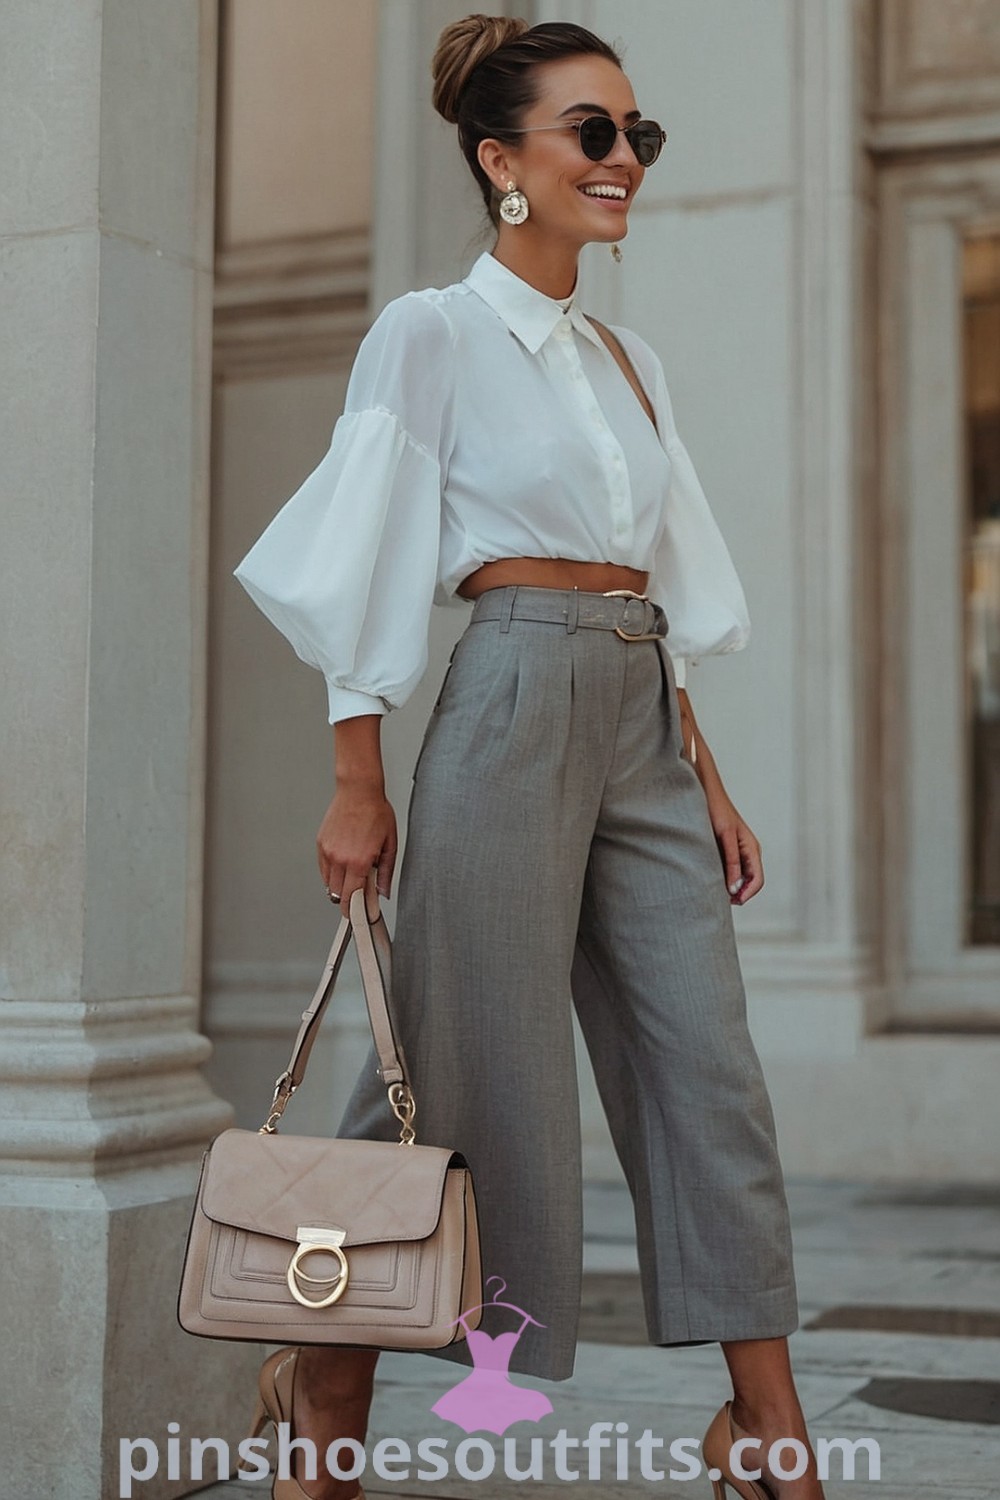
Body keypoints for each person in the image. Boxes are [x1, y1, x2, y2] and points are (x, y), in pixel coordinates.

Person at [232, 15, 827, 1500]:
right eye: (593, 133)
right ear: (503, 161)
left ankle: (768, 1424)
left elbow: (656, 585)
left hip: (640, 716)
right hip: (502, 701)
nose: (624, 160)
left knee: (710, 1070)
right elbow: (365, 557)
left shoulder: (631, 362)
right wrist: (358, 776)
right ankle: (326, 1392)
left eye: (639, 134)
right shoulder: (430, 331)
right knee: (453, 1071)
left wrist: (705, 764)